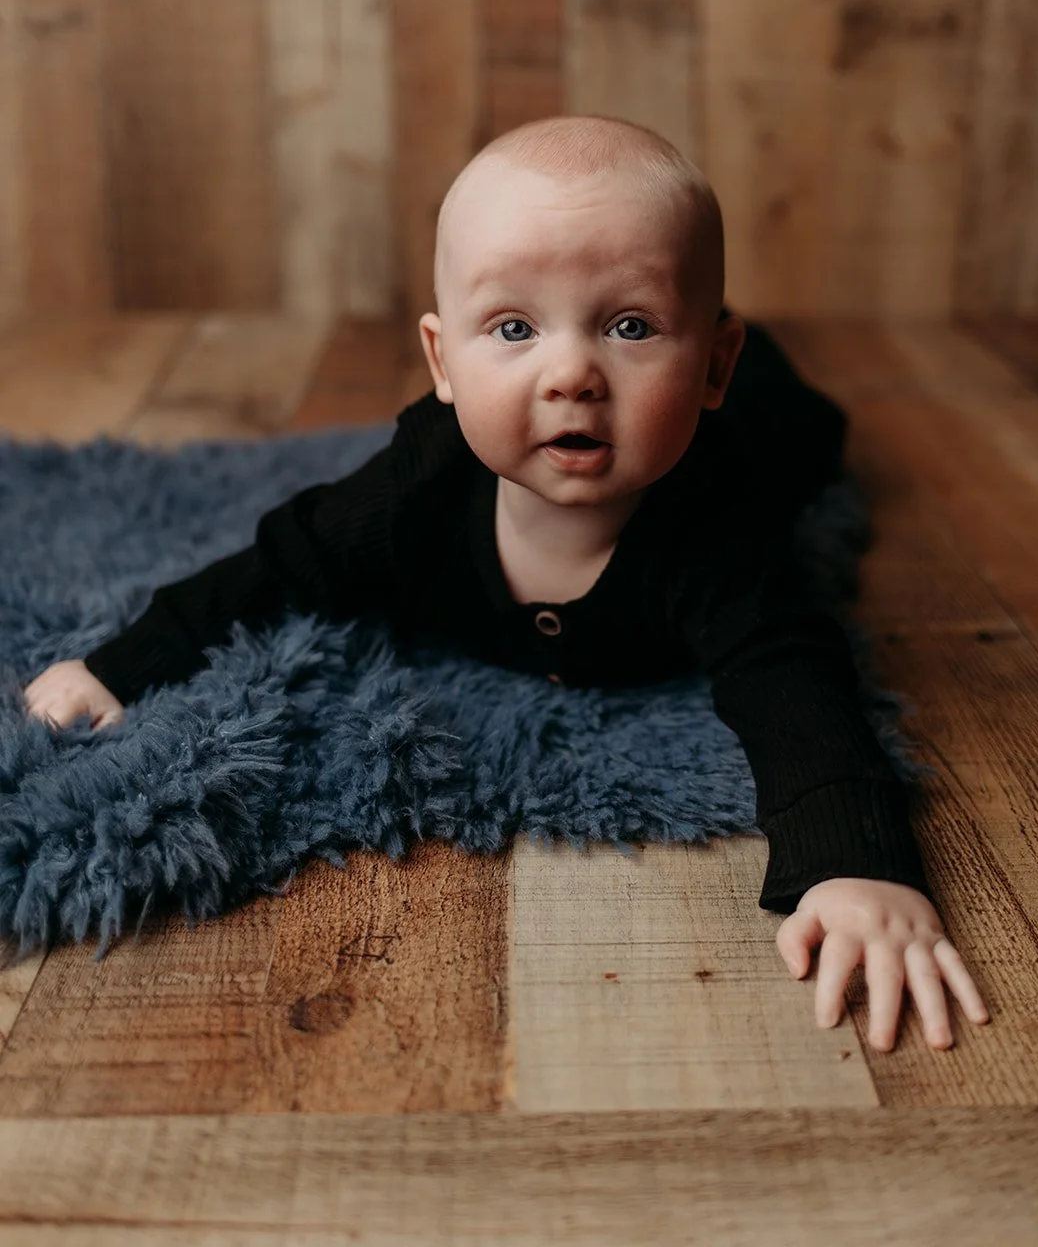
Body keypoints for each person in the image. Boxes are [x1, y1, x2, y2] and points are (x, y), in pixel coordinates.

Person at [21, 114, 989, 1054]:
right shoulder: (416, 485)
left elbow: (793, 678)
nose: (571, 372)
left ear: (707, 366)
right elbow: (277, 563)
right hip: (631, 393)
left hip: (756, 430)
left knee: (804, 436)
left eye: (629, 326)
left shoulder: (713, 531)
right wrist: (120, 664)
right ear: (442, 360)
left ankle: (754, 361)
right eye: (514, 326)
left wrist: (854, 864)